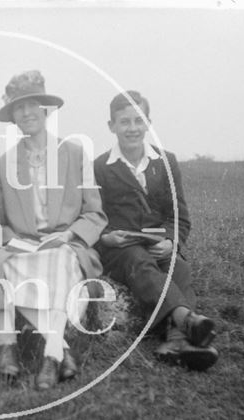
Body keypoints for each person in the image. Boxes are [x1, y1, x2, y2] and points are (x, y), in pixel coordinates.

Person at [0, 70, 107, 390]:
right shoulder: (2, 165)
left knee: (61, 261)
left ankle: (49, 360)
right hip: (23, 245)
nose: (26, 113)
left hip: (65, 242)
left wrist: (66, 236)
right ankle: (60, 351)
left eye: (32, 105)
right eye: (18, 108)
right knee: (3, 264)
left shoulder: (75, 154)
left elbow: (95, 213)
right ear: (12, 117)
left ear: (46, 110)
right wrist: (14, 239)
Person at [94, 90, 219, 371]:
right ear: (111, 126)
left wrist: (171, 241)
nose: (132, 128)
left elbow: (179, 216)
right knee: (140, 261)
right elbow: (95, 215)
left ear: (148, 123)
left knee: (179, 267)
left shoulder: (166, 162)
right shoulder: (99, 167)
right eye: (124, 122)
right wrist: (106, 236)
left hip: (158, 245)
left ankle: (175, 340)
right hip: (121, 250)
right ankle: (187, 319)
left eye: (138, 120)